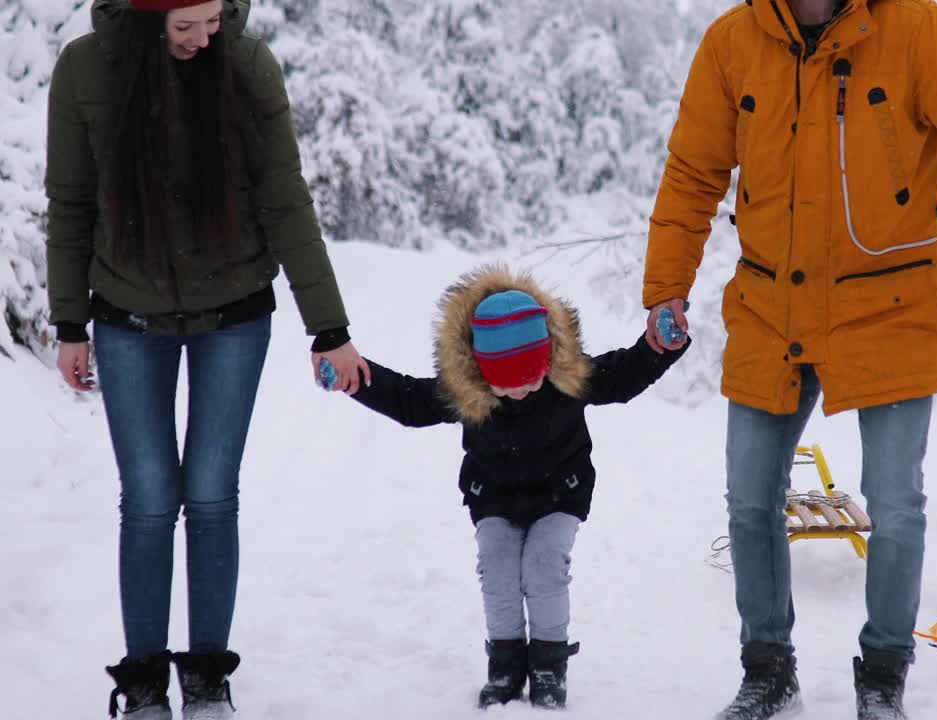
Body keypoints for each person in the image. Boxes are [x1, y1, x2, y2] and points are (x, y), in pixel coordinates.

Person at [642, 0, 937, 718]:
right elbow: (692, 174)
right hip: (771, 310)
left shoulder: (917, 30)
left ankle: (884, 674)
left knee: (896, 505)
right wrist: (666, 285)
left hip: (889, 310)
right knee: (748, 498)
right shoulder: (733, 42)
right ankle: (768, 670)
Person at [45, 1, 369, 716]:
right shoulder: (84, 70)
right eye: (184, 27)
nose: (204, 39)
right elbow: (69, 203)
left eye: (213, 20)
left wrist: (330, 327)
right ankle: (142, 683)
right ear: (140, 16)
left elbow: (287, 200)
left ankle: (206, 676)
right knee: (151, 498)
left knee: (214, 496)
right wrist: (69, 321)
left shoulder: (247, 65)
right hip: (128, 316)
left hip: (233, 315)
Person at [341, 266, 689, 710]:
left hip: (561, 491)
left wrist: (661, 346)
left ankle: (548, 664)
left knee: (544, 565)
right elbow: (409, 401)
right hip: (496, 498)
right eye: (507, 383)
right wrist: (357, 376)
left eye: (531, 378)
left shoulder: (568, 378)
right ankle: (505, 665)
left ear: (547, 361)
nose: (522, 391)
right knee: (498, 569)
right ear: (481, 372)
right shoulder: (467, 392)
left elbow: (624, 376)